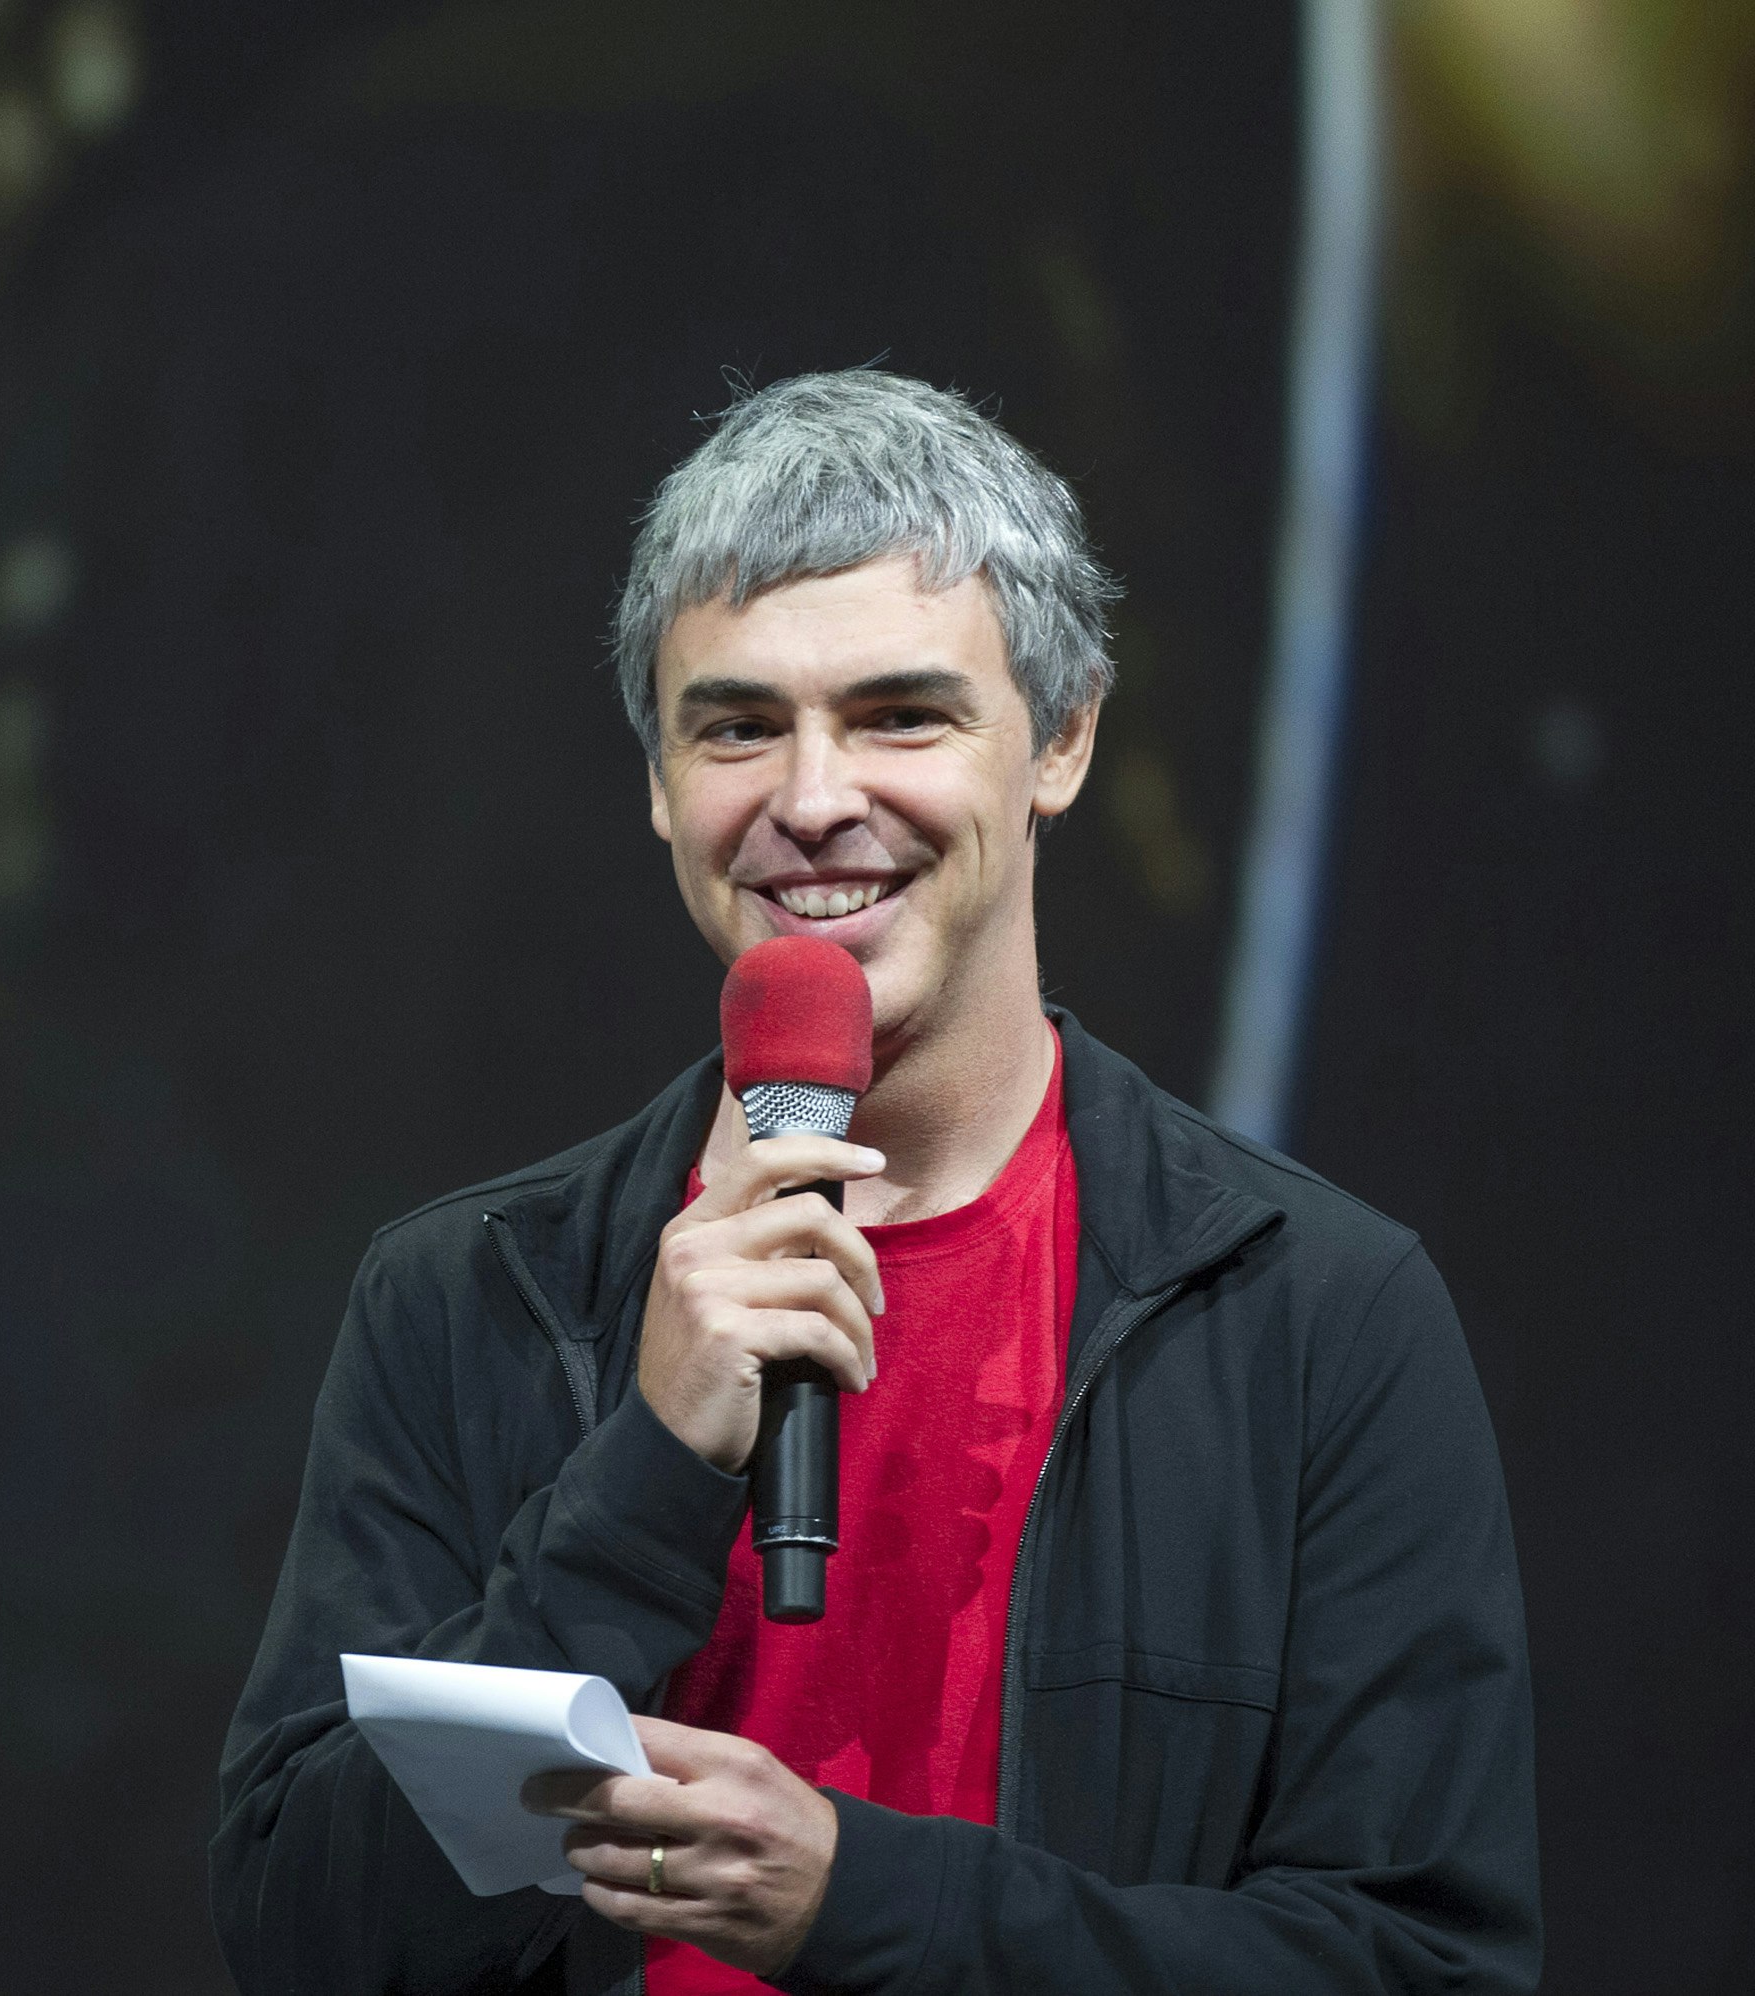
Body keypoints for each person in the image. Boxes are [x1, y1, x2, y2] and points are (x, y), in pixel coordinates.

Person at [210, 370, 1538, 1996]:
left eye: (901, 715)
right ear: (656, 783)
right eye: (738, 726)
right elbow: (306, 1945)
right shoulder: (472, 1297)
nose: (815, 799)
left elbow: (1420, 1966)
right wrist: (641, 1481)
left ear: (1060, 741)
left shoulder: (1313, 1312)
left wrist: (864, 1906)